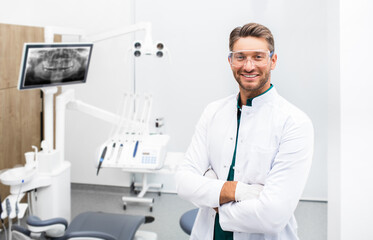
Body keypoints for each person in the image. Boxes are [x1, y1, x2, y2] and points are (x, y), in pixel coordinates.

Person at [175, 22, 314, 240]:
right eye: (240, 57)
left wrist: (212, 193)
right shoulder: (213, 112)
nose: (248, 66)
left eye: (258, 56)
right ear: (230, 61)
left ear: (273, 61)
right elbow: (184, 182)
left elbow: (272, 215)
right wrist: (239, 192)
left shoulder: (294, 123)